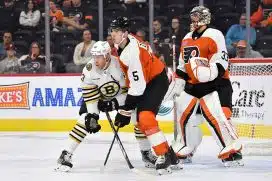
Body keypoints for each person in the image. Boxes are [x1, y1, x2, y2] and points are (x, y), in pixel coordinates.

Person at [55, 41, 157, 172]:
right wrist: (93, 114)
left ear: (107, 56)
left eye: (99, 56)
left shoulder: (120, 66)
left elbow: (130, 91)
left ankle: (146, 153)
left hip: (121, 98)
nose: (95, 59)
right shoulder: (89, 69)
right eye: (94, 56)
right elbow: (89, 94)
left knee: (138, 119)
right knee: (85, 120)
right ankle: (66, 154)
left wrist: (114, 103)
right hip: (98, 98)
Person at [171, 6, 243, 167]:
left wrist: (210, 74)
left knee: (221, 115)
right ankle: (186, 147)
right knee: (186, 117)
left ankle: (232, 150)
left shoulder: (214, 34)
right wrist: (178, 79)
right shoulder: (187, 37)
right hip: (193, 85)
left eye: (196, 16)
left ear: (204, 17)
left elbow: (221, 60)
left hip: (216, 83)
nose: (193, 20)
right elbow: (183, 64)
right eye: (192, 16)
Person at [109, 16, 182, 175]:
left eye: (116, 31)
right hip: (150, 79)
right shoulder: (125, 42)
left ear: (125, 33)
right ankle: (170, 155)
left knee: (145, 117)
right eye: (112, 31)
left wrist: (125, 110)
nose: (113, 34)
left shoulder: (131, 52)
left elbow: (138, 87)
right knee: (140, 120)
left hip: (157, 80)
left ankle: (163, 155)